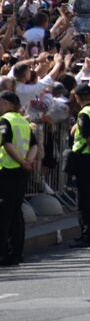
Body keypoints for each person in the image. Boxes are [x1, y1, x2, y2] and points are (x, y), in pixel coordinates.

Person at [0, 90, 37, 266]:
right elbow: (34, 145)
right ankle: (17, 252)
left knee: (4, 214)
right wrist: (27, 162)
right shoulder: (23, 121)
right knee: (16, 213)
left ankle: (3, 253)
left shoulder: (5, 120)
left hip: (7, 170)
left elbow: (6, 144)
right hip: (21, 172)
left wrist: (22, 161)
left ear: (7, 103)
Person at [65, 84, 90, 248]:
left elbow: (89, 138)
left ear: (77, 97)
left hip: (86, 158)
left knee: (85, 200)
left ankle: (88, 235)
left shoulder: (84, 114)